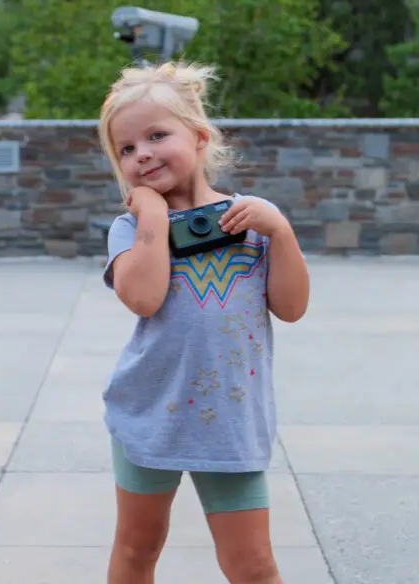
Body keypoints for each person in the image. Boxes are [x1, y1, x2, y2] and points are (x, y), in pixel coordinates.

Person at [98, 60, 310, 584]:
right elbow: (144, 297)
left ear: (197, 137)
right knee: (137, 547)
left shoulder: (250, 220)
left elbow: (291, 307)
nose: (141, 153)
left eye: (156, 135)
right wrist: (151, 215)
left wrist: (280, 232)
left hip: (230, 421)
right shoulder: (130, 230)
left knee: (253, 565)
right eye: (126, 148)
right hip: (151, 414)